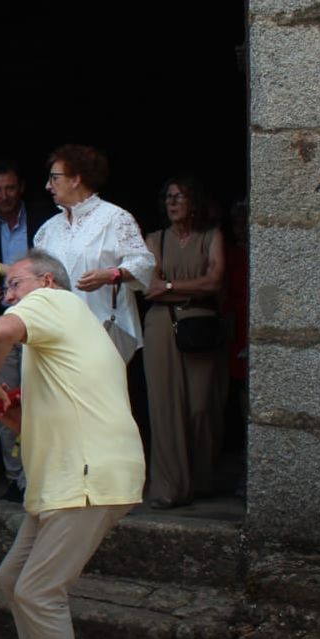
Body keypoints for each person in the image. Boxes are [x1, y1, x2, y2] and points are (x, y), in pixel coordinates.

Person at [0, 250, 145, 639]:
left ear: (46, 281)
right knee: (14, 579)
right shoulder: (58, 335)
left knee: (38, 589)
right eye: (6, 290)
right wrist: (4, 411)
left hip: (86, 476)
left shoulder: (53, 301)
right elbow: (40, 423)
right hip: (69, 479)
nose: (8, 296)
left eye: (15, 284)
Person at [141, 176, 228, 508]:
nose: (173, 202)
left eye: (180, 196)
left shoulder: (211, 236)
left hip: (201, 325)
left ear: (194, 203)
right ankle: (168, 486)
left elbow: (215, 282)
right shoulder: (154, 240)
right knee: (164, 406)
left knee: (201, 407)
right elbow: (149, 287)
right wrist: (186, 285)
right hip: (162, 326)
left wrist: (169, 285)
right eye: (168, 197)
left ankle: (201, 478)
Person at [0, 160, 52, 502]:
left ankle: (43, 474)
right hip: (1, 325)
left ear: (20, 188)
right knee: (3, 402)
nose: (4, 195)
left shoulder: (44, 221)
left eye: (9, 188)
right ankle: (16, 479)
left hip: (40, 327)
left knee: (41, 400)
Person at [32, 144, 154, 360]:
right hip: (56, 335)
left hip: (102, 333)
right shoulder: (47, 229)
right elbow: (35, 275)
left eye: (54, 178)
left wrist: (110, 275)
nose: (47, 186)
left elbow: (143, 263)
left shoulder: (115, 218)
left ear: (75, 179)